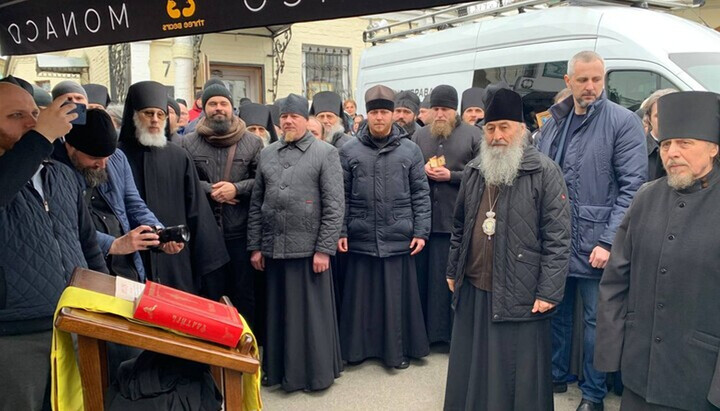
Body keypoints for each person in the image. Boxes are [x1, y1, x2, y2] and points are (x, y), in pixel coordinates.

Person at [443, 88, 571, 411]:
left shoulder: (544, 171)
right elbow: (459, 226)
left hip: (522, 292)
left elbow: (558, 237)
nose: (497, 135)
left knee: (515, 376)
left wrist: (550, 291)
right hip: (474, 288)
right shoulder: (474, 171)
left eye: (504, 127)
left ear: (521, 130)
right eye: (491, 128)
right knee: (473, 367)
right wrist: (452, 269)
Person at [536, 50, 647, 411]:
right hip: (556, 240)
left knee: (595, 322)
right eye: (582, 80)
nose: (590, 87)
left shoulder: (623, 121)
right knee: (556, 312)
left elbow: (633, 187)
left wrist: (608, 240)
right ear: (568, 82)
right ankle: (555, 375)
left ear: (604, 80)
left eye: (596, 79)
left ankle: (593, 395)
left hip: (596, 242)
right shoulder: (553, 123)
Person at [596, 91, 720, 411]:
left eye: (684, 143)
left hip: (700, 383)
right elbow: (615, 281)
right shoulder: (646, 197)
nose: (672, 153)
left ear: (713, 148)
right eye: (666, 144)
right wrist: (613, 354)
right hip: (640, 376)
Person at [0, 78, 108, 410]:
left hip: (73, 323)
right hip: (15, 335)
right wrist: (40, 137)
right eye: (17, 115)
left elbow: (88, 246)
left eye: (35, 112)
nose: (33, 121)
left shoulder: (60, 175)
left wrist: (104, 306)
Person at [247, 93, 344, 392]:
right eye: (284, 116)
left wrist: (324, 249)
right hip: (275, 247)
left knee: (310, 318)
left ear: (305, 119)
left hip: (309, 251)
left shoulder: (325, 153)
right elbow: (256, 203)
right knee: (279, 314)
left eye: (294, 116)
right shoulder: (267, 153)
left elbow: (334, 205)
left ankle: (314, 375)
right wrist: (256, 245)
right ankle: (279, 372)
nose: (288, 121)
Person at [338, 85, 431, 370]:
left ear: (392, 115)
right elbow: (340, 194)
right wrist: (341, 230)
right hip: (361, 234)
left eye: (384, 112)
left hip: (397, 234)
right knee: (361, 299)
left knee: (394, 300)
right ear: (367, 114)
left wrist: (421, 231)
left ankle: (396, 352)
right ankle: (357, 351)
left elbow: (420, 193)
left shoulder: (410, 150)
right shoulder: (349, 149)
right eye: (375, 112)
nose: (379, 118)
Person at [118, 81, 229, 297]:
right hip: (131, 260)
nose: (155, 120)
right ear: (133, 115)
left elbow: (196, 209)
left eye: (160, 115)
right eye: (148, 113)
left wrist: (209, 266)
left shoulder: (178, 157)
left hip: (175, 260)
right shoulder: (116, 156)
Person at [53, 108, 182, 281]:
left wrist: (158, 232)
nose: (103, 164)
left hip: (125, 266)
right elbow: (63, 226)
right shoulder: (53, 171)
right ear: (70, 146)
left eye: (107, 156)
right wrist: (113, 245)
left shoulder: (118, 158)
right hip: (82, 268)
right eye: (94, 158)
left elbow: (134, 204)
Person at [183, 84, 263, 327]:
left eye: (223, 103)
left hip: (240, 233)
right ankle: (213, 357)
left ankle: (244, 352)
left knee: (244, 295)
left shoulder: (253, 143)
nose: (218, 108)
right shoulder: (188, 142)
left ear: (232, 107)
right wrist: (212, 191)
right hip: (206, 234)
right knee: (209, 296)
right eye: (212, 104)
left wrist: (236, 188)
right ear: (204, 108)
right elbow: (183, 181)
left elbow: (262, 182)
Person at [412, 84, 482, 344]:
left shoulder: (473, 135)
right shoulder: (420, 137)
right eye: (436, 109)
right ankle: (430, 336)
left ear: (455, 111)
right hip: (427, 223)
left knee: (451, 282)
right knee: (428, 284)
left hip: (457, 222)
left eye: (445, 109)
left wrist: (451, 176)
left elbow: (483, 173)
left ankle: (455, 338)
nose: (440, 114)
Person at [640, 88, 677, 181]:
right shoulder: (636, 149)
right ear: (649, 118)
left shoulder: (693, 149)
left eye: (671, 114)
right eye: (659, 115)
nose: (666, 119)